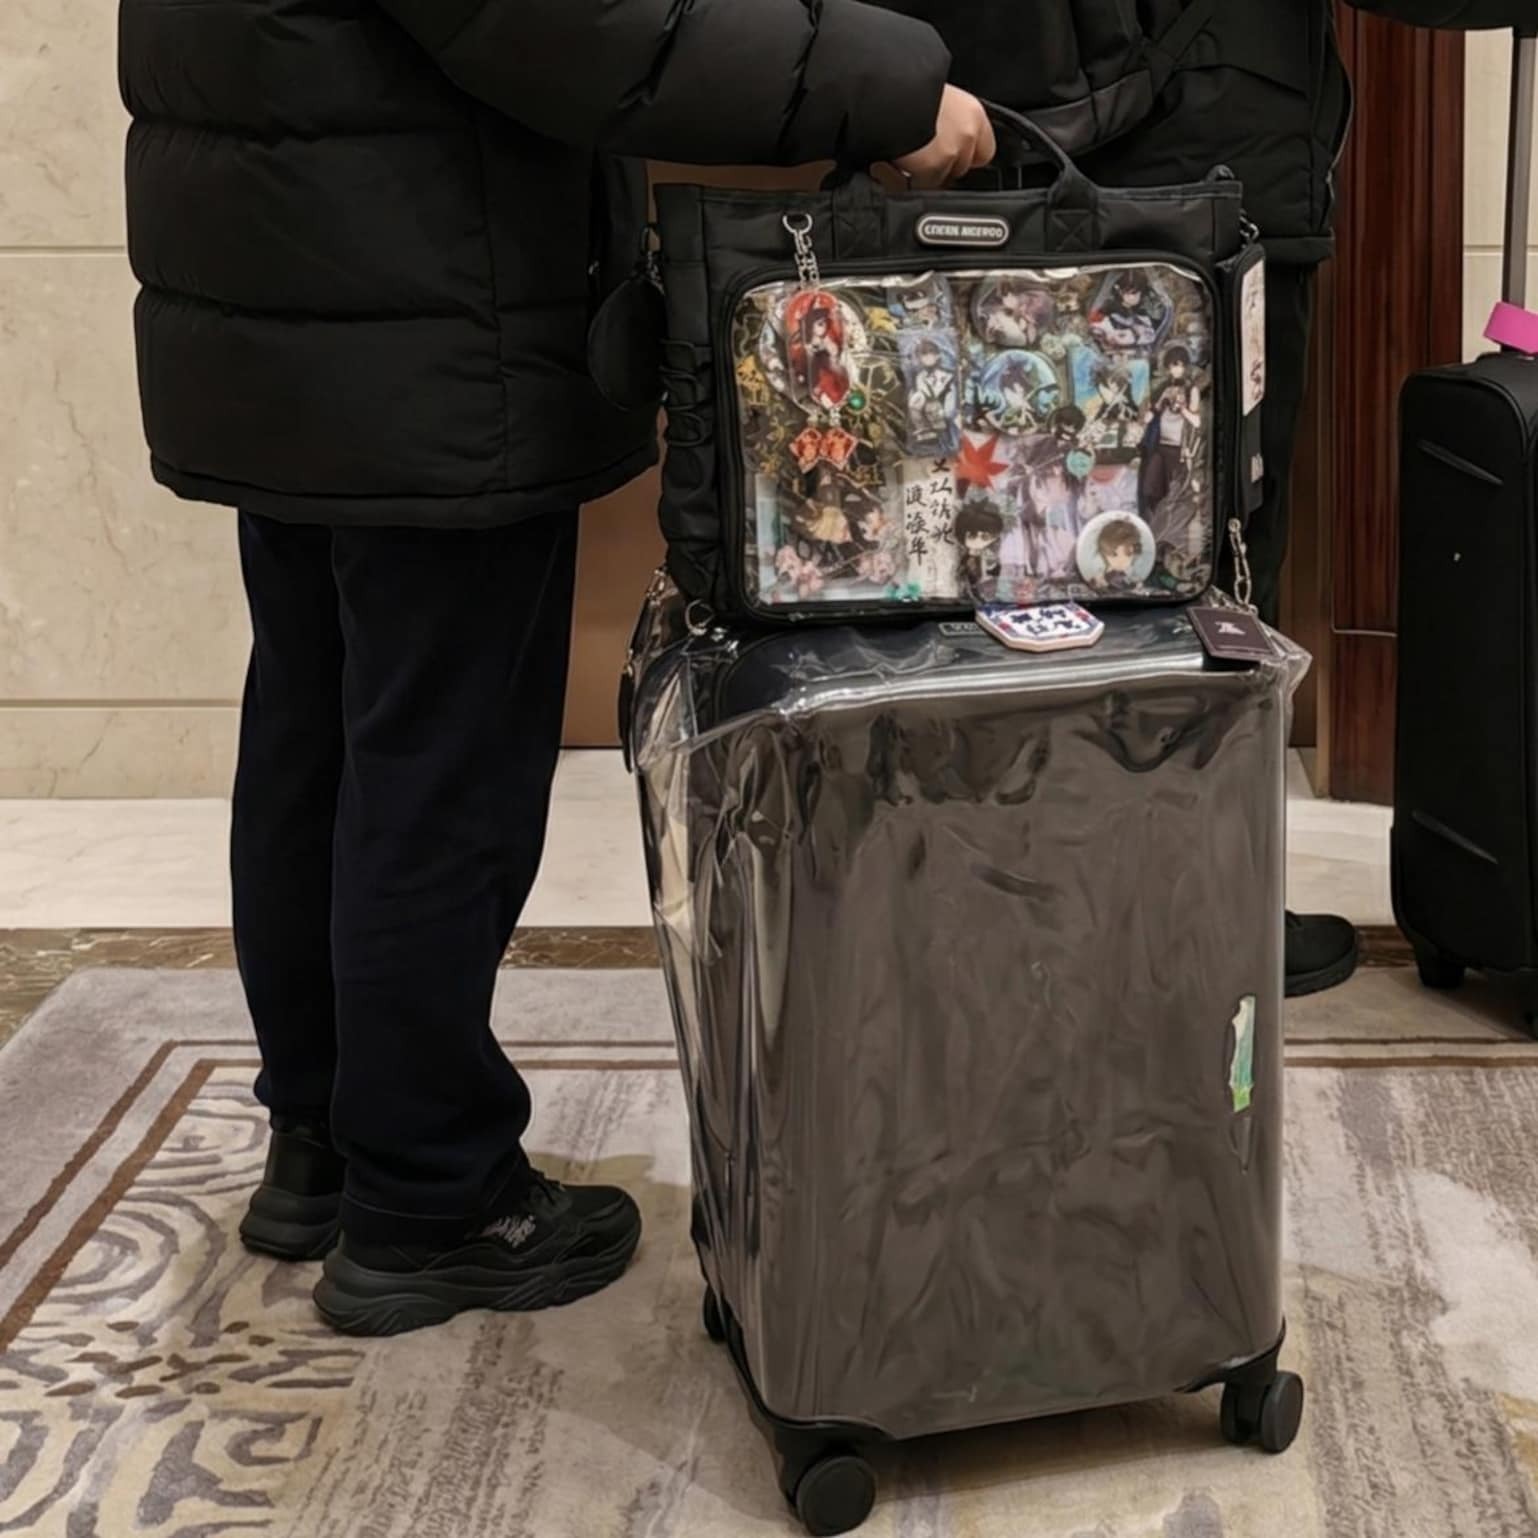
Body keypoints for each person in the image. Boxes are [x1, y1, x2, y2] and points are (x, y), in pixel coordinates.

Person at [119, 0, 993, 1337]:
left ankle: (326, 1144)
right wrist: (889, 82)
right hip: (423, 314)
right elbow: (594, 29)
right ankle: (430, 1197)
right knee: (435, 765)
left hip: (290, 295)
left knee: (317, 731)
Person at [890, 0, 1427, 999]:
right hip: (1216, 151)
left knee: (1013, 544)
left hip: (1005, 139)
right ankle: (1200, 920)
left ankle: (1016, 909)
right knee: (1214, 563)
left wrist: (887, 86)